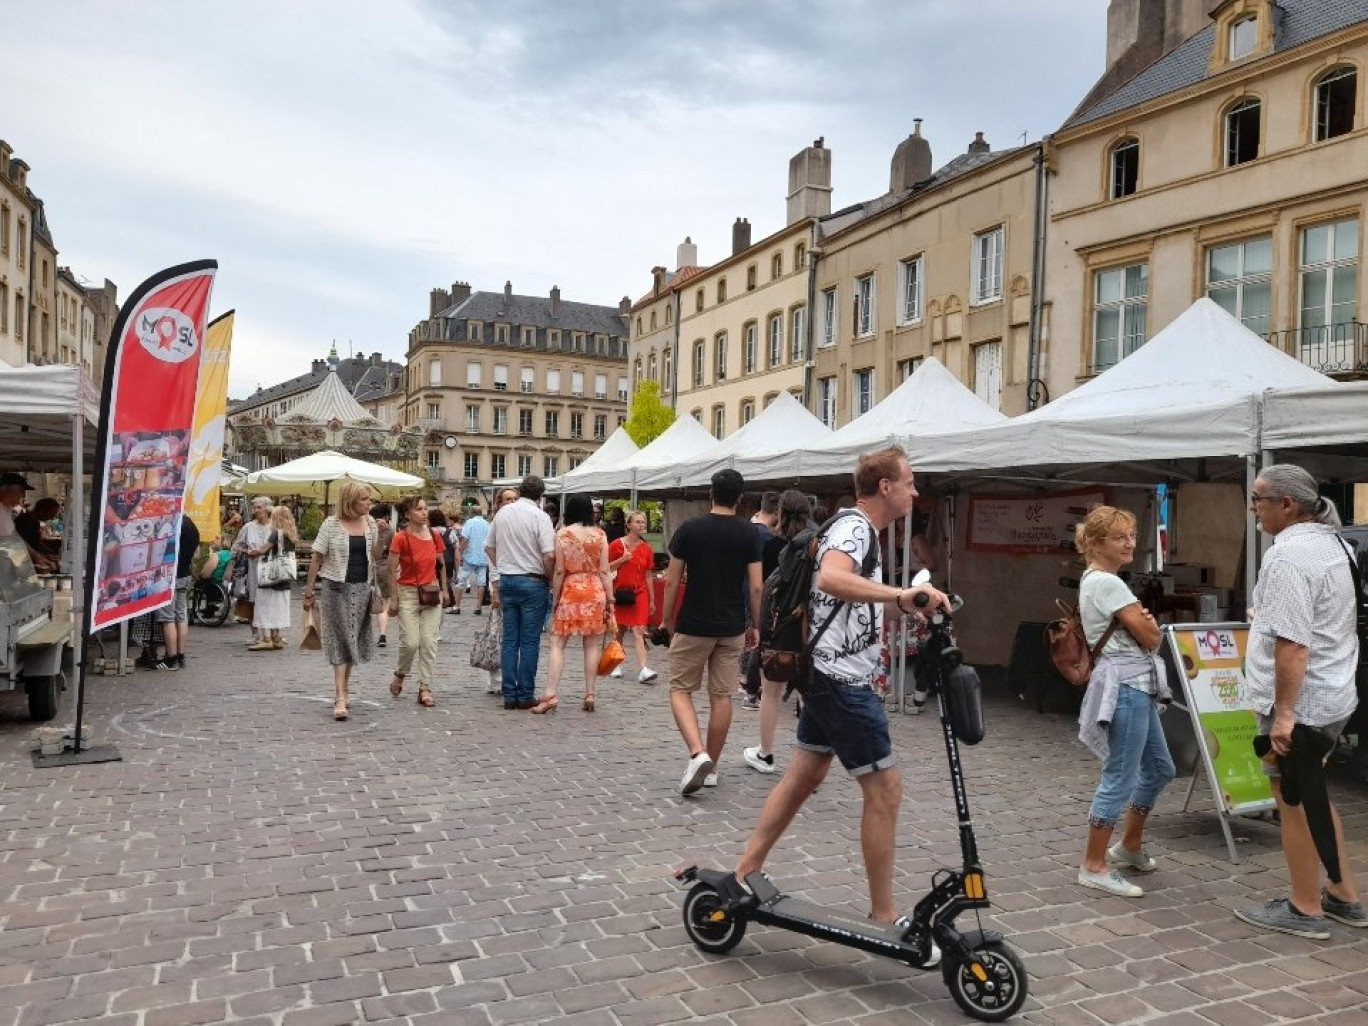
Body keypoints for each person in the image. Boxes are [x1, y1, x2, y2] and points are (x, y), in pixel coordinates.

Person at [731, 448, 950, 929]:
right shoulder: (854, 528)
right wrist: (897, 593)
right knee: (886, 789)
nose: (916, 491)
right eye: (910, 482)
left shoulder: (860, 531)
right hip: (841, 680)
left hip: (827, 673)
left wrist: (910, 604)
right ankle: (883, 913)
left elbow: (858, 604)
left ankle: (747, 867)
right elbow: (832, 579)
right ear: (886, 487)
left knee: (802, 777)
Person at [1233, 465, 1365, 937]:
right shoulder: (1334, 543)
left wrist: (1284, 715)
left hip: (1303, 702)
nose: (1253, 507)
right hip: (1332, 693)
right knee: (1313, 792)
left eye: (1257, 499)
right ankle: (1344, 895)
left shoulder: (1288, 556)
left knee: (1291, 799)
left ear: (1286, 504)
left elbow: (1294, 645)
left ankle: (1304, 906)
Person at [1073, 505, 1175, 898]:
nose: (1130, 542)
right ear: (1095, 543)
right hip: (1128, 686)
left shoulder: (1096, 580)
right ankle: (1094, 865)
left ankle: (1129, 847)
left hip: (1133, 683)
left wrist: (1145, 621)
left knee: (1159, 768)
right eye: (1119, 537)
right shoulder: (1110, 584)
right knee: (1121, 775)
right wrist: (1147, 622)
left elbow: (1146, 631)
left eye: (1131, 534)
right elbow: (1152, 638)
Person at [661, 468, 763, 796]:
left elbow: (673, 580)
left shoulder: (690, 530)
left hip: (694, 622)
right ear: (741, 498)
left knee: (680, 689)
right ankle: (713, 767)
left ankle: (697, 752)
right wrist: (755, 625)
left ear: (710, 493)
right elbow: (757, 588)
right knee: (722, 696)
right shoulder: (749, 533)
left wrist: (666, 621)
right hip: (731, 625)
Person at [743, 490, 816, 774]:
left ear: (781, 513)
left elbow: (759, 587)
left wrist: (756, 625)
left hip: (780, 626)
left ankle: (766, 753)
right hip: (811, 627)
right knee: (808, 693)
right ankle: (808, 757)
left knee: (771, 693)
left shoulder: (773, 545)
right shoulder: (817, 545)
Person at [302, 482, 379, 721]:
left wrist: (383, 536)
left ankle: (345, 689)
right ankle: (339, 696)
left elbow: (375, 556)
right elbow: (316, 558)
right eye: (364, 499)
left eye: (369, 499)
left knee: (352, 639)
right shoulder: (331, 524)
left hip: (361, 588)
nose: (368, 503)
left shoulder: (371, 523)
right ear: (350, 501)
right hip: (335, 587)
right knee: (339, 639)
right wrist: (308, 592)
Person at [533, 494, 612, 714]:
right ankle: (589, 693)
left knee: (557, 643)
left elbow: (559, 570)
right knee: (592, 645)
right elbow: (605, 570)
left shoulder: (563, 534)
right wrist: (610, 598)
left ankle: (550, 694)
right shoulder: (600, 535)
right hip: (595, 591)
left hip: (571, 590)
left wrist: (556, 598)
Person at [486, 475, 556, 710]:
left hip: (508, 580)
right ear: (540, 495)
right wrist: (549, 578)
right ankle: (525, 693)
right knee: (529, 641)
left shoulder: (502, 514)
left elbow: (489, 546)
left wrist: (503, 565)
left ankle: (509, 694)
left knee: (510, 640)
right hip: (532, 581)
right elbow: (548, 554)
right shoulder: (541, 516)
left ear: (521, 490)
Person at [386, 495, 449, 708]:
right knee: (411, 642)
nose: (424, 513)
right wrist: (393, 598)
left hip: (431, 592)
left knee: (429, 642)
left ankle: (425, 687)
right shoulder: (400, 538)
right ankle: (400, 673)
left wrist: (445, 589)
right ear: (407, 514)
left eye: (425, 509)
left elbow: (442, 565)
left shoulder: (434, 535)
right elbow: (390, 569)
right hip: (407, 593)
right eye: (419, 509)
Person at [607, 510, 657, 683]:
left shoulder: (647, 548)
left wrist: (651, 599)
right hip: (619, 592)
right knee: (619, 630)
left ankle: (643, 668)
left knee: (639, 630)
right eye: (637, 522)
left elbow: (648, 574)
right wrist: (622, 559)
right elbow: (605, 568)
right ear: (628, 525)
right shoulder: (616, 545)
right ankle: (616, 664)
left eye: (643, 522)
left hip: (640, 593)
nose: (641, 525)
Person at [482, 488, 520, 695]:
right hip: (501, 584)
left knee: (511, 633)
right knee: (498, 633)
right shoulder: (496, 523)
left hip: (515, 583)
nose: (511, 502)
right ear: (499, 503)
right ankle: (496, 679)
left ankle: (509, 676)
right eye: (507, 499)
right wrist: (495, 589)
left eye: (514, 498)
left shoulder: (519, 521)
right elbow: (491, 555)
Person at [152, 515, 201, 670]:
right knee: (181, 616)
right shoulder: (191, 524)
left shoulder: (169, 523)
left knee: (168, 618)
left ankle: (171, 658)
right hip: (185, 573)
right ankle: (181, 656)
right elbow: (196, 551)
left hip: (168, 575)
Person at [248, 505, 300, 652]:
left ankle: (266, 638)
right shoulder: (291, 534)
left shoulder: (276, 533)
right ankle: (277, 637)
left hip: (270, 576)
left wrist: (252, 552)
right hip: (284, 578)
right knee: (278, 608)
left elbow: (263, 549)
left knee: (264, 605)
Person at [232, 497, 275, 645]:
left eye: (259, 508)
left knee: (270, 601)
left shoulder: (274, 527)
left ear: (268, 509)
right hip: (253, 568)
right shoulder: (248, 527)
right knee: (254, 601)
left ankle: (271, 634)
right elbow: (236, 546)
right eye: (254, 508)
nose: (256, 511)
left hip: (270, 568)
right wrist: (246, 551)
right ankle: (255, 634)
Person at [452, 507, 491, 615]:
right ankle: (478, 607)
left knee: (461, 581)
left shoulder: (469, 522)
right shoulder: (487, 524)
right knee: (481, 583)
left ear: (471, 513)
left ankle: (457, 606)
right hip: (483, 556)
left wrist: (460, 552)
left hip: (469, 556)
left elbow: (465, 539)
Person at [370, 502, 395, 649]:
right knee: (384, 604)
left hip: (369, 569)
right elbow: (395, 551)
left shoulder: (367, 528)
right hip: (385, 568)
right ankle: (382, 634)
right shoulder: (389, 530)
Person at [14, 497, 63, 572]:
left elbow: (36, 541)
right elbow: (22, 544)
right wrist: (39, 556)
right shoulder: (23, 521)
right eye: (51, 515)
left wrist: (47, 553)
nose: (52, 518)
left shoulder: (35, 522)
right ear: (42, 511)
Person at [0, 471, 32, 539]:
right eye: (19, 497)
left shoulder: (7, 509)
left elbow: (14, 533)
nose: (18, 502)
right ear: (12, 493)